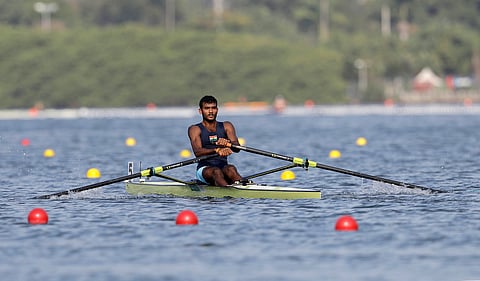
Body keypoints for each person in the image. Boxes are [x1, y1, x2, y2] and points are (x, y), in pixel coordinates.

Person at [188, 95, 243, 186]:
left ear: (217, 110)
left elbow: (237, 148)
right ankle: (228, 193)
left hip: (223, 167)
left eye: (213, 108)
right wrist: (216, 150)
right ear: (200, 111)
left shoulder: (227, 126)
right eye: (207, 108)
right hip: (204, 170)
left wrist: (229, 144)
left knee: (231, 168)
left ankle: (246, 189)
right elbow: (197, 152)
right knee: (216, 172)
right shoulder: (195, 129)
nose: (210, 111)